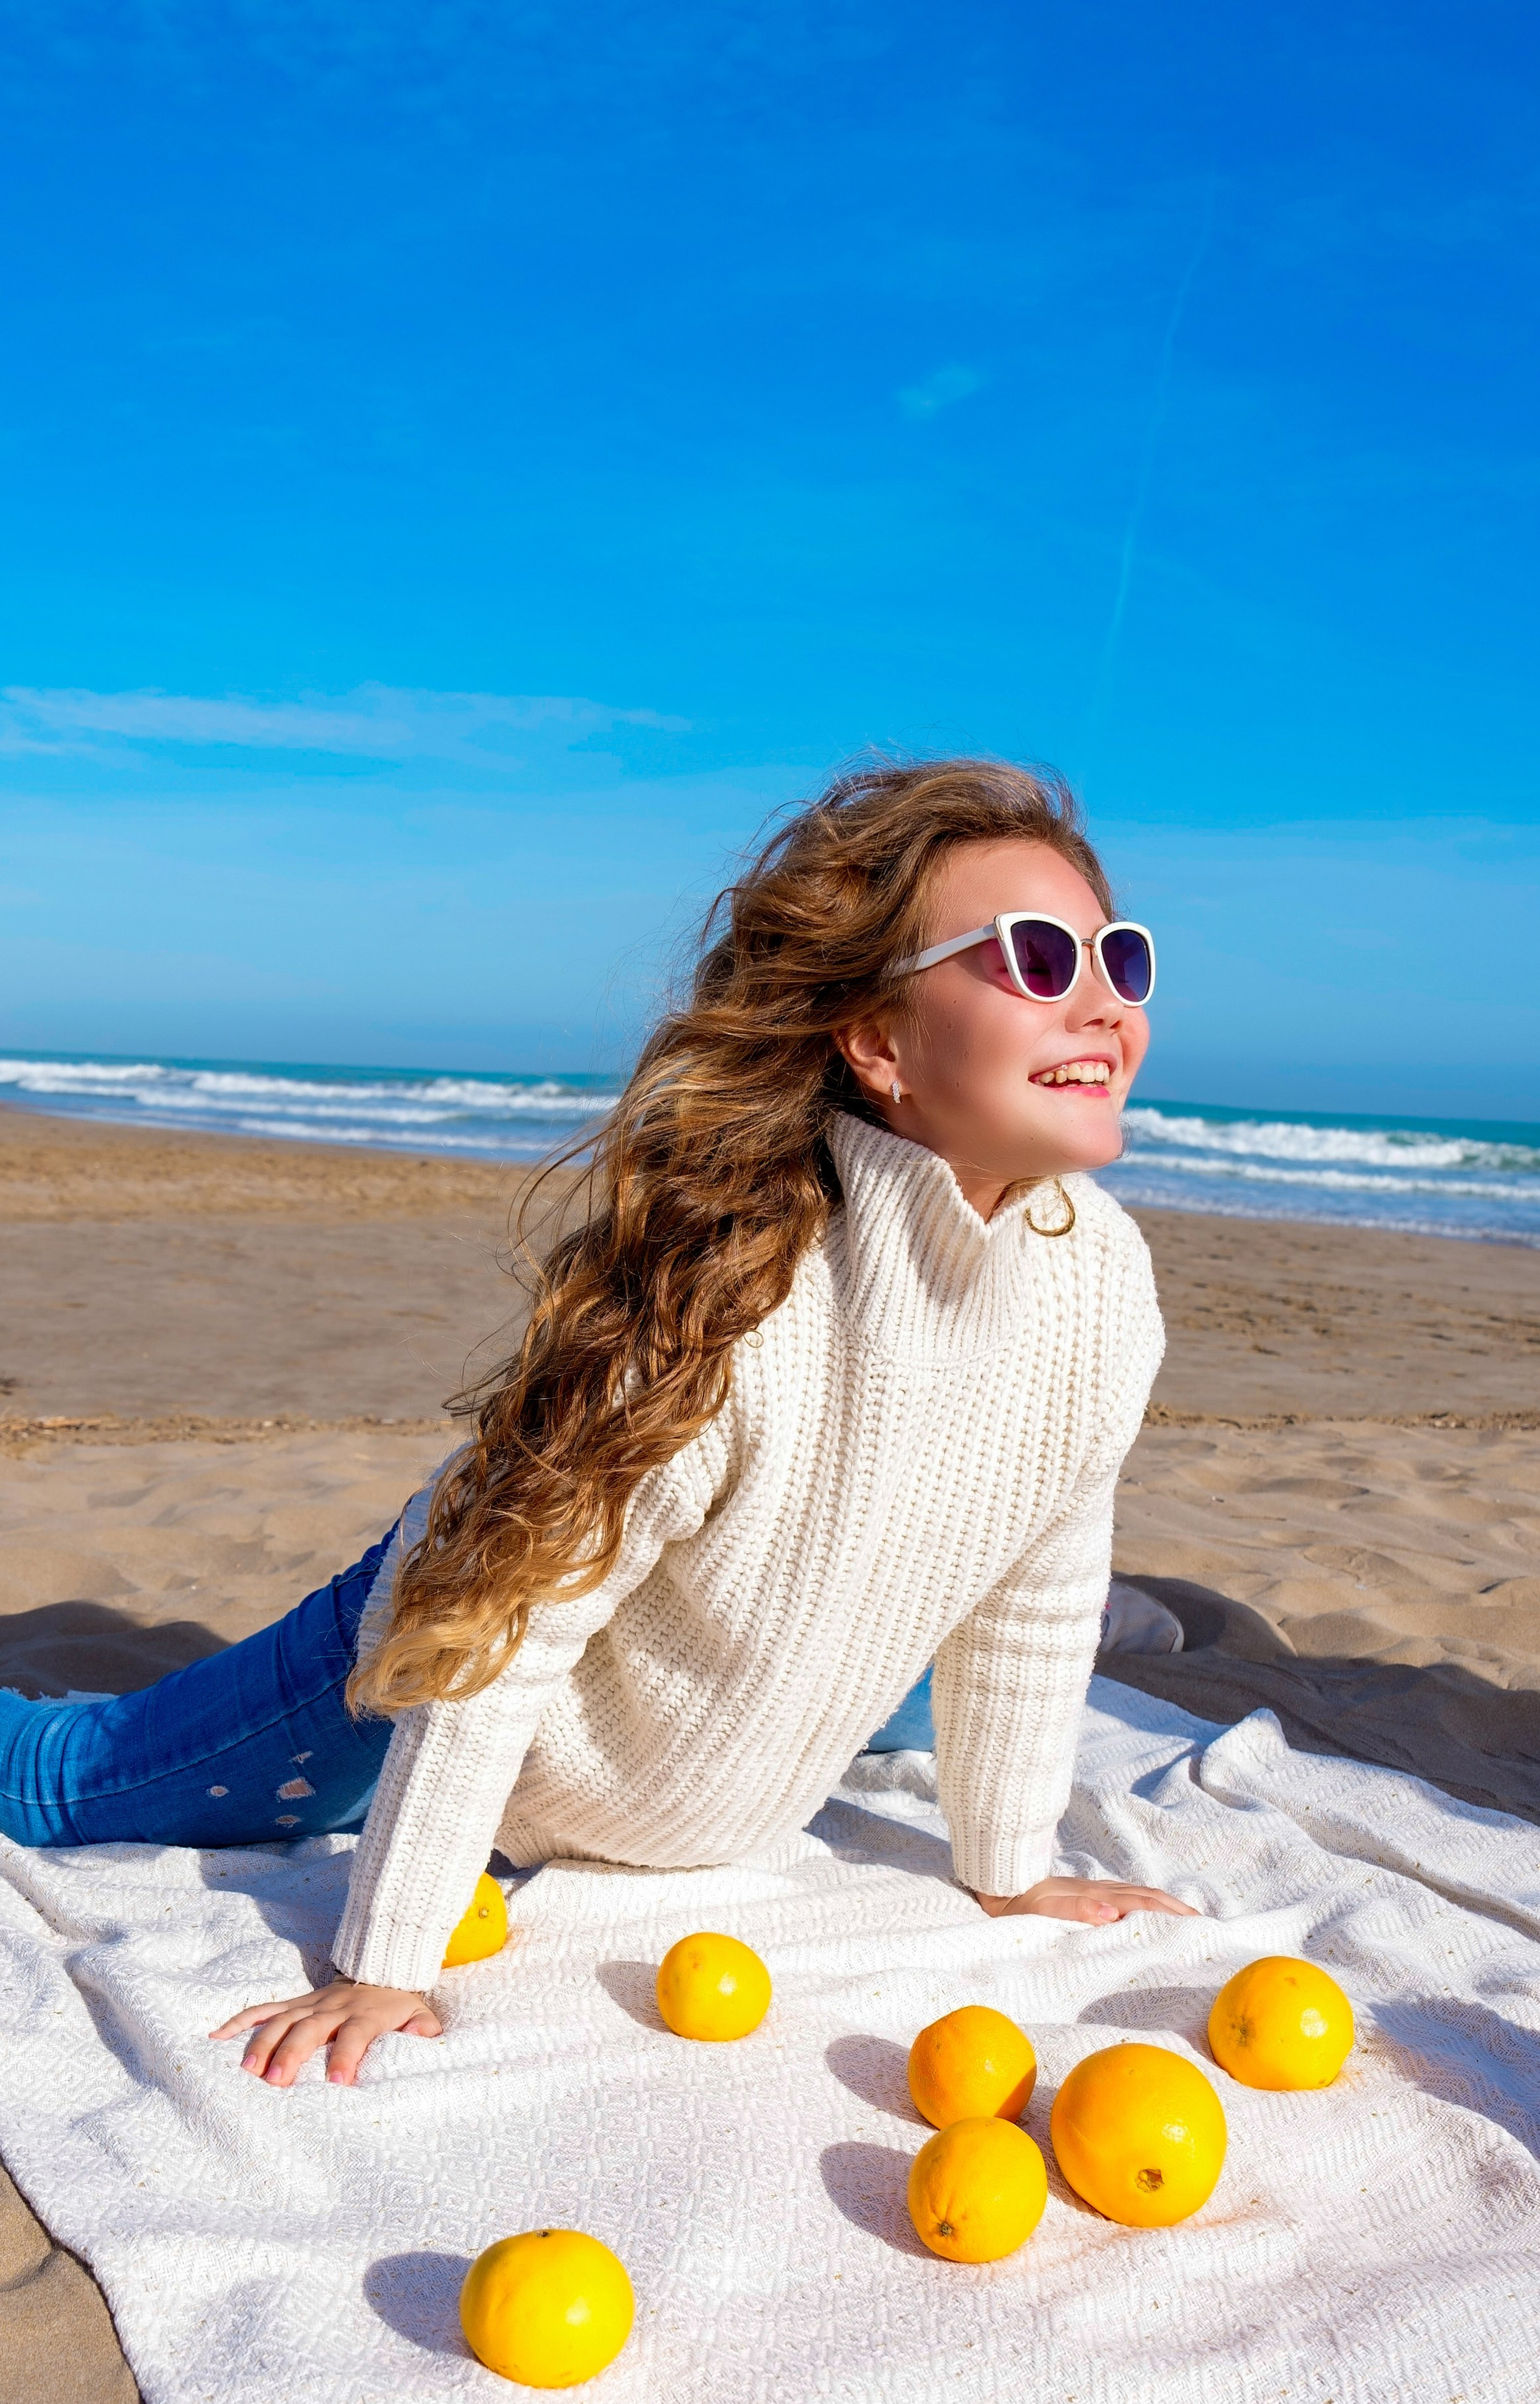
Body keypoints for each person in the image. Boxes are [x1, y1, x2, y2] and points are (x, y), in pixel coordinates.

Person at [0, 759, 1196, 2087]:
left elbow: (1030, 1591)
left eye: (1120, 958)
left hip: (702, 1708)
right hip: (421, 1664)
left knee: (973, 1639)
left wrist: (1012, 1876)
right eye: (1036, 956)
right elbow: (504, 1628)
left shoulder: (1103, 1279)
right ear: (877, 1041)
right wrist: (384, 1963)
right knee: (58, 1784)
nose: (1102, 1001)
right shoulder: (738, 1297)